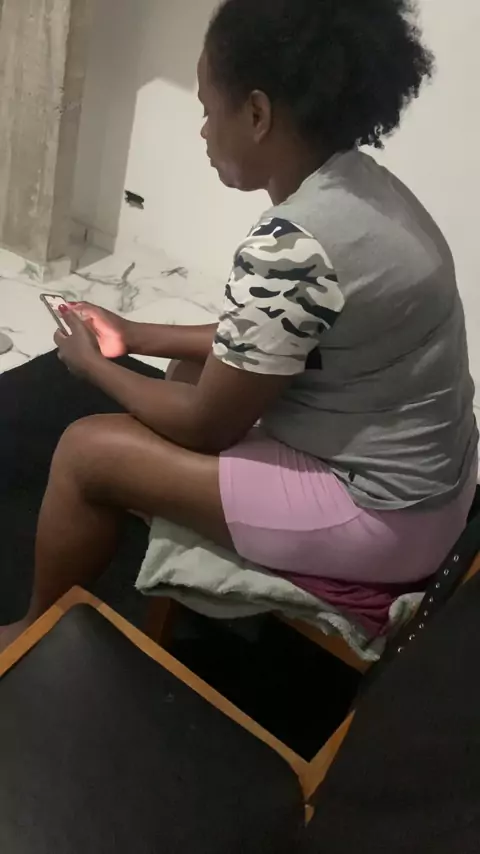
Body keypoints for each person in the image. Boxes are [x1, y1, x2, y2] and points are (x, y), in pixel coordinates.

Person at [0, 0, 477, 651]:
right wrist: (136, 334)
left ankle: (30, 633)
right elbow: (274, 340)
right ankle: (153, 497)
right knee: (188, 371)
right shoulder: (366, 190)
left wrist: (92, 366)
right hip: (433, 490)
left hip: (384, 517)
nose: (202, 131)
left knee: (87, 450)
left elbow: (207, 425)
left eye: (207, 108)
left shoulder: (295, 243)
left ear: (256, 114)